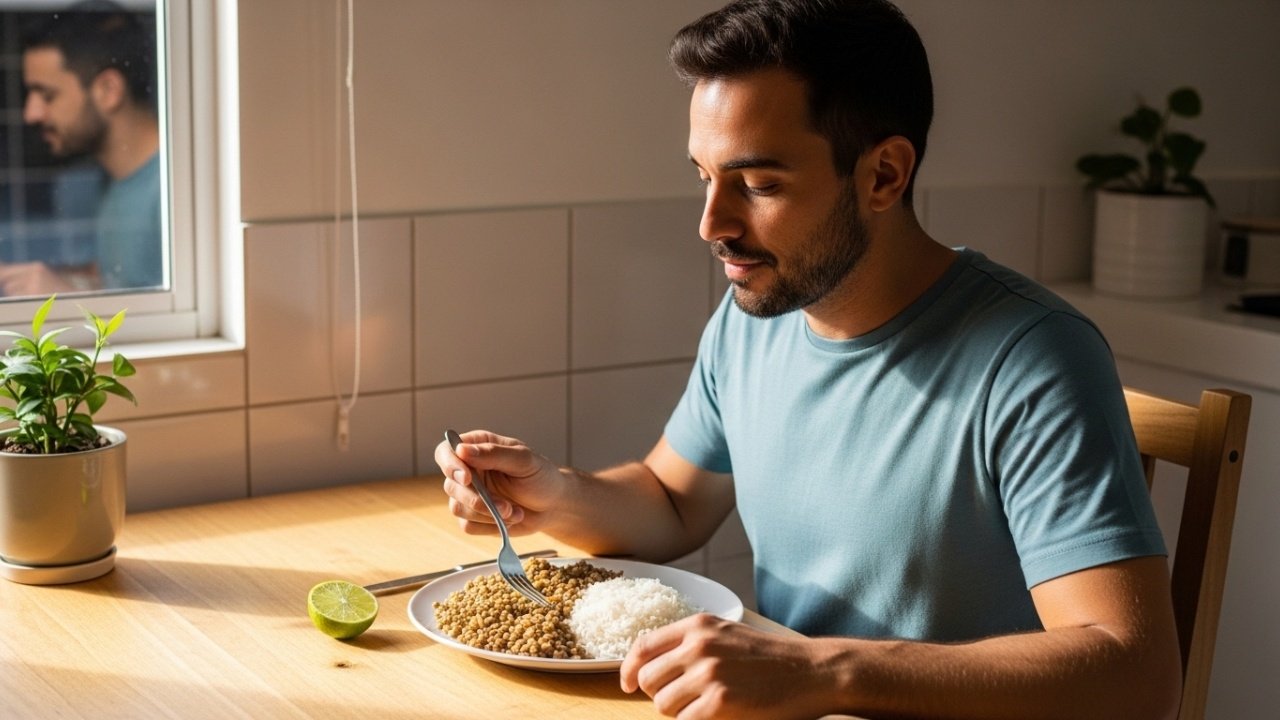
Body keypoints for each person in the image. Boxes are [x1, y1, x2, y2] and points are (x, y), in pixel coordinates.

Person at [435, 1, 1182, 717]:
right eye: (704, 177)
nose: (711, 224)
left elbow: (1136, 675)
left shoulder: (1034, 358)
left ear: (884, 175)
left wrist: (824, 671)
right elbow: (672, 501)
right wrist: (553, 494)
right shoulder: (753, 319)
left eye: (760, 185)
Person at [0, 1, 163, 297]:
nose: (31, 113)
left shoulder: (173, 191)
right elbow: (130, 282)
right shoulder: (118, 180)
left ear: (109, 91)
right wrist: (45, 280)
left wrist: (65, 298)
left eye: (47, 95)